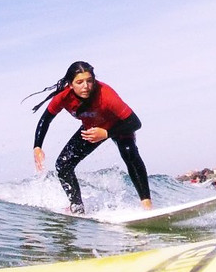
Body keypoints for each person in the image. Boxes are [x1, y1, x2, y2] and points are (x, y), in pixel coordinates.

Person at [29, 61, 152, 214]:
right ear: (71, 84)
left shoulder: (106, 94)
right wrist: (37, 146)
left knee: (129, 153)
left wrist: (106, 133)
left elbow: (135, 122)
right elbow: (46, 119)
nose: (85, 86)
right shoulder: (63, 96)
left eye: (89, 81)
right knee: (63, 165)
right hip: (92, 128)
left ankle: (147, 207)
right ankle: (77, 208)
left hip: (118, 125)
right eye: (79, 82)